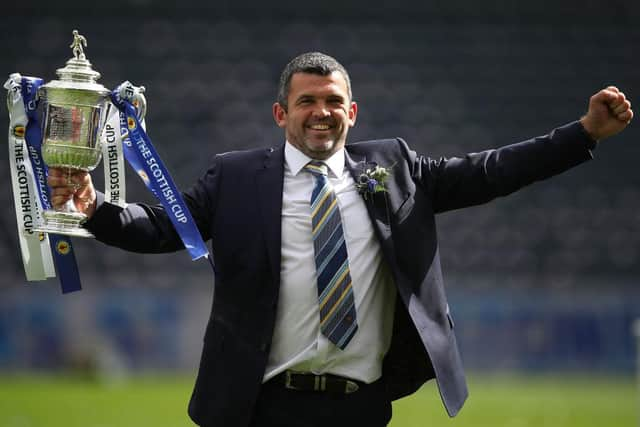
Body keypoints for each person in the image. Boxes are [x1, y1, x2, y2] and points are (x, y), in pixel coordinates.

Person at [48, 52, 633, 427]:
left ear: (352, 111)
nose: (321, 113)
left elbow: (489, 172)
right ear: (282, 113)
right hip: (262, 406)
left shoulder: (395, 166)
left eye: (333, 102)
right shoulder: (236, 176)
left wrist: (582, 134)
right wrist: (95, 207)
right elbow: (163, 230)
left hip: (362, 405)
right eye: (307, 101)